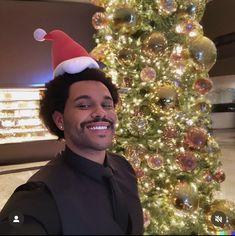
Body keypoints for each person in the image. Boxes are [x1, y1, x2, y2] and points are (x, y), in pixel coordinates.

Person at [0, 29, 143, 235]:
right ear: (59, 120)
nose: (100, 113)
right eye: (84, 105)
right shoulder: (39, 197)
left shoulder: (124, 167)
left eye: (107, 104)